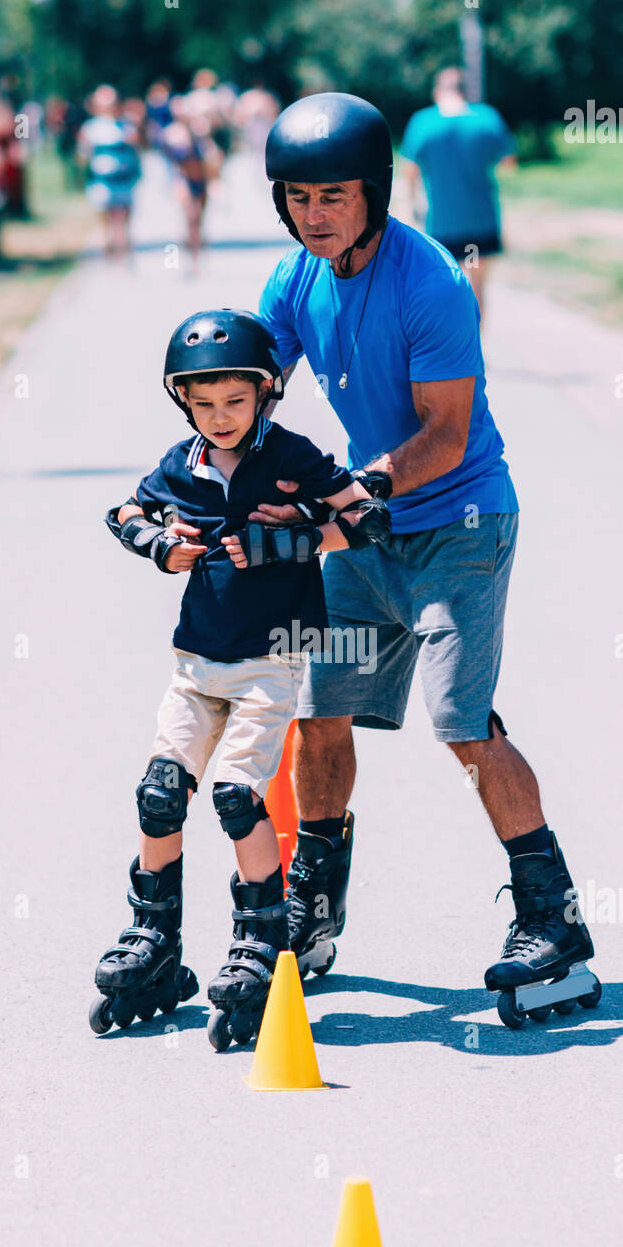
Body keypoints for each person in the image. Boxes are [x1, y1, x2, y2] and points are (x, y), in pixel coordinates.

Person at [255, 92, 599, 1026]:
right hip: (369, 532)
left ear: (372, 192)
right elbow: (259, 395)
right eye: (297, 197)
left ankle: (551, 918)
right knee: (320, 715)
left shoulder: (431, 283)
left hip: (459, 525)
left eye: (333, 196)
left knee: (460, 721)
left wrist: (348, 496)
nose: (314, 213)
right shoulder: (292, 281)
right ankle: (312, 911)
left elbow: (444, 437)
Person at [89, 310, 392, 1050]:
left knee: (234, 795)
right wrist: (157, 543)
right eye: (203, 403)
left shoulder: (292, 456)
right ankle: (153, 935)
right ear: (183, 402)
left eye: (233, 400)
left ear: (264, 392)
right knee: (160, 793)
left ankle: (260, 937)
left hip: (270, 660)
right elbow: (124, 511)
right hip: (196, 659)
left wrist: (293, 536)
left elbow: (368, 519)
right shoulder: (180, 463)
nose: (219, 417)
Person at [400, 67, 517, 317]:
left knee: (447, 289)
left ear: (436, 92)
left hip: (442, 224)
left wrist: (412, 206)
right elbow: (509, 162)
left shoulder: (423, 122)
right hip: (481, 221)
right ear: (466, 90)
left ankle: (452, 351)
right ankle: (475, 350)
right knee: (477, 287)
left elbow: (409, 170)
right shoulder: (487, 118)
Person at [157, 95, 222, 273]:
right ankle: (191, 258)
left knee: (199, 219)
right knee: (191, 216)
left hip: (201, 179)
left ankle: (196, 253)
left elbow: (212, 153)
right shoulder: (172, 133)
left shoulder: (200, 130)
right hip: (182, 179)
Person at [76, 84, 141, 257]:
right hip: (101, 181)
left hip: (124, 179)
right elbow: (82, 156)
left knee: (124, 222)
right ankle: (109, 256)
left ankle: (124, 256)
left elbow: (136, 151)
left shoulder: (126, 126)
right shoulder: (90, 128)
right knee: (105, 222)